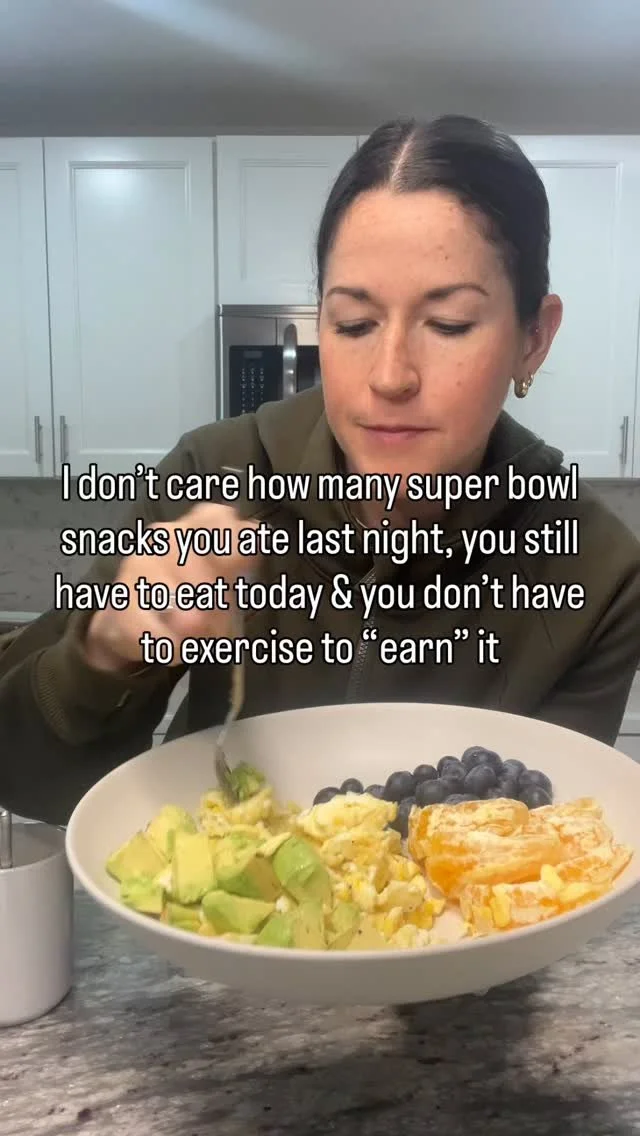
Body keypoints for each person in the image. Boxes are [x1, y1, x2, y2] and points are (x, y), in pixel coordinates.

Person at [2, 115, 640, 826]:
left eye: (450, 324)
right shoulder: (216, 473)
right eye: (354, 324)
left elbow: (549, 842)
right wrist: (105, 652)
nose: (390, 376)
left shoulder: (601, 573)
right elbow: (25, 779)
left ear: (534, 338)